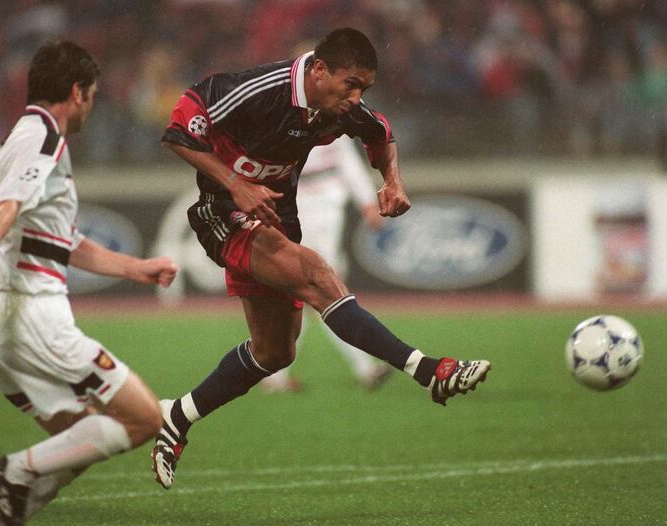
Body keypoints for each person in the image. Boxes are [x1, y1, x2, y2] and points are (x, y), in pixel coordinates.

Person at [151, 27, 491, 490]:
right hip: (222, 214)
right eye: (350, 84)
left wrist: (393, 180)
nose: (356, 97)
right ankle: (428, 370)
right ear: (318, 70)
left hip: (278, 220)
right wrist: (234, 183)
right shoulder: (261, 89)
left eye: (364, 88)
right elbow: (177, 131)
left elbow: (382, 135)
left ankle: (177, 414)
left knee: (275, 351)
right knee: (318, 275)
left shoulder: (338, 110)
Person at [0, 41, 178, 525]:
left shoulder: (21, 136)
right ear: (77, 93)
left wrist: (137, 269)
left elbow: (63, 240)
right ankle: (14, 468)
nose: (92, 106)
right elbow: (6, 205)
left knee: (78, 441)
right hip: (33, 314)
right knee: (144, 419)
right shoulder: (44, 139)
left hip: (0, 320)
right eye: (91, 95)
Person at [260, 135, 391, 392]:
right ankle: (364, 368)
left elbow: (349, 163)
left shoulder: (333, 115)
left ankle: (275, 375)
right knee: (323, 293)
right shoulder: (286, 115)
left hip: (327, 203)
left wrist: (367, 203)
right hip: (293, 204)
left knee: (314, 293)